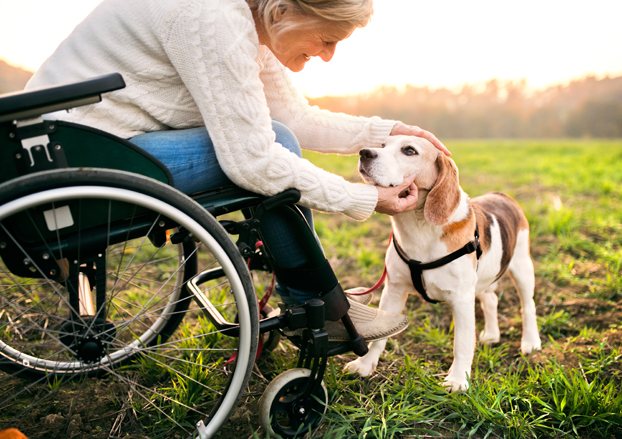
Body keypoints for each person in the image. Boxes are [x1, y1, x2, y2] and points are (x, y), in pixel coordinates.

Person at [26, 0, 450, 342]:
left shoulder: (248, 20)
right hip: (76, 158)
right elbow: (254, 160)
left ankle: (317, 299)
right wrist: (362, 198)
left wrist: (385, 130)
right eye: (327, 39)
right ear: (284, 10)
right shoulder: (212, 16)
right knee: (273, 147)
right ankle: (316, 305)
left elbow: (291, 115)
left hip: (54, 148)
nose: (327, 55)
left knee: (277, 136)